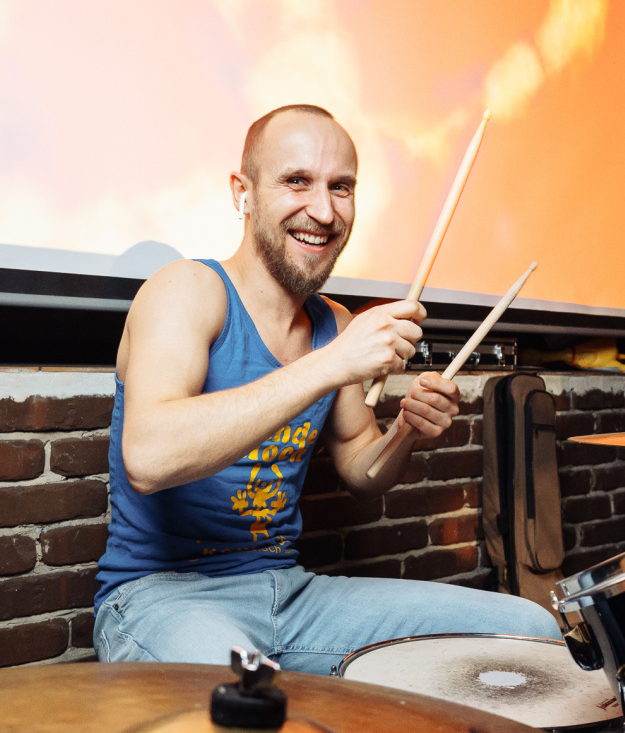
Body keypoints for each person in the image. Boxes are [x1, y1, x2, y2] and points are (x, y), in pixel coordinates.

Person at [92, 104, 560, 673]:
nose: (323, 210)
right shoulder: (186, 289)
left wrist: (407, 431)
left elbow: (362, 470)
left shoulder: (332, 323)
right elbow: (149, 458)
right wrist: (332, 363)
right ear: (243, 192)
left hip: (290, 594)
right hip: (159, 597)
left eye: (341, 187)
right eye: (297, 181)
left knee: (530, 631)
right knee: (255, 700)